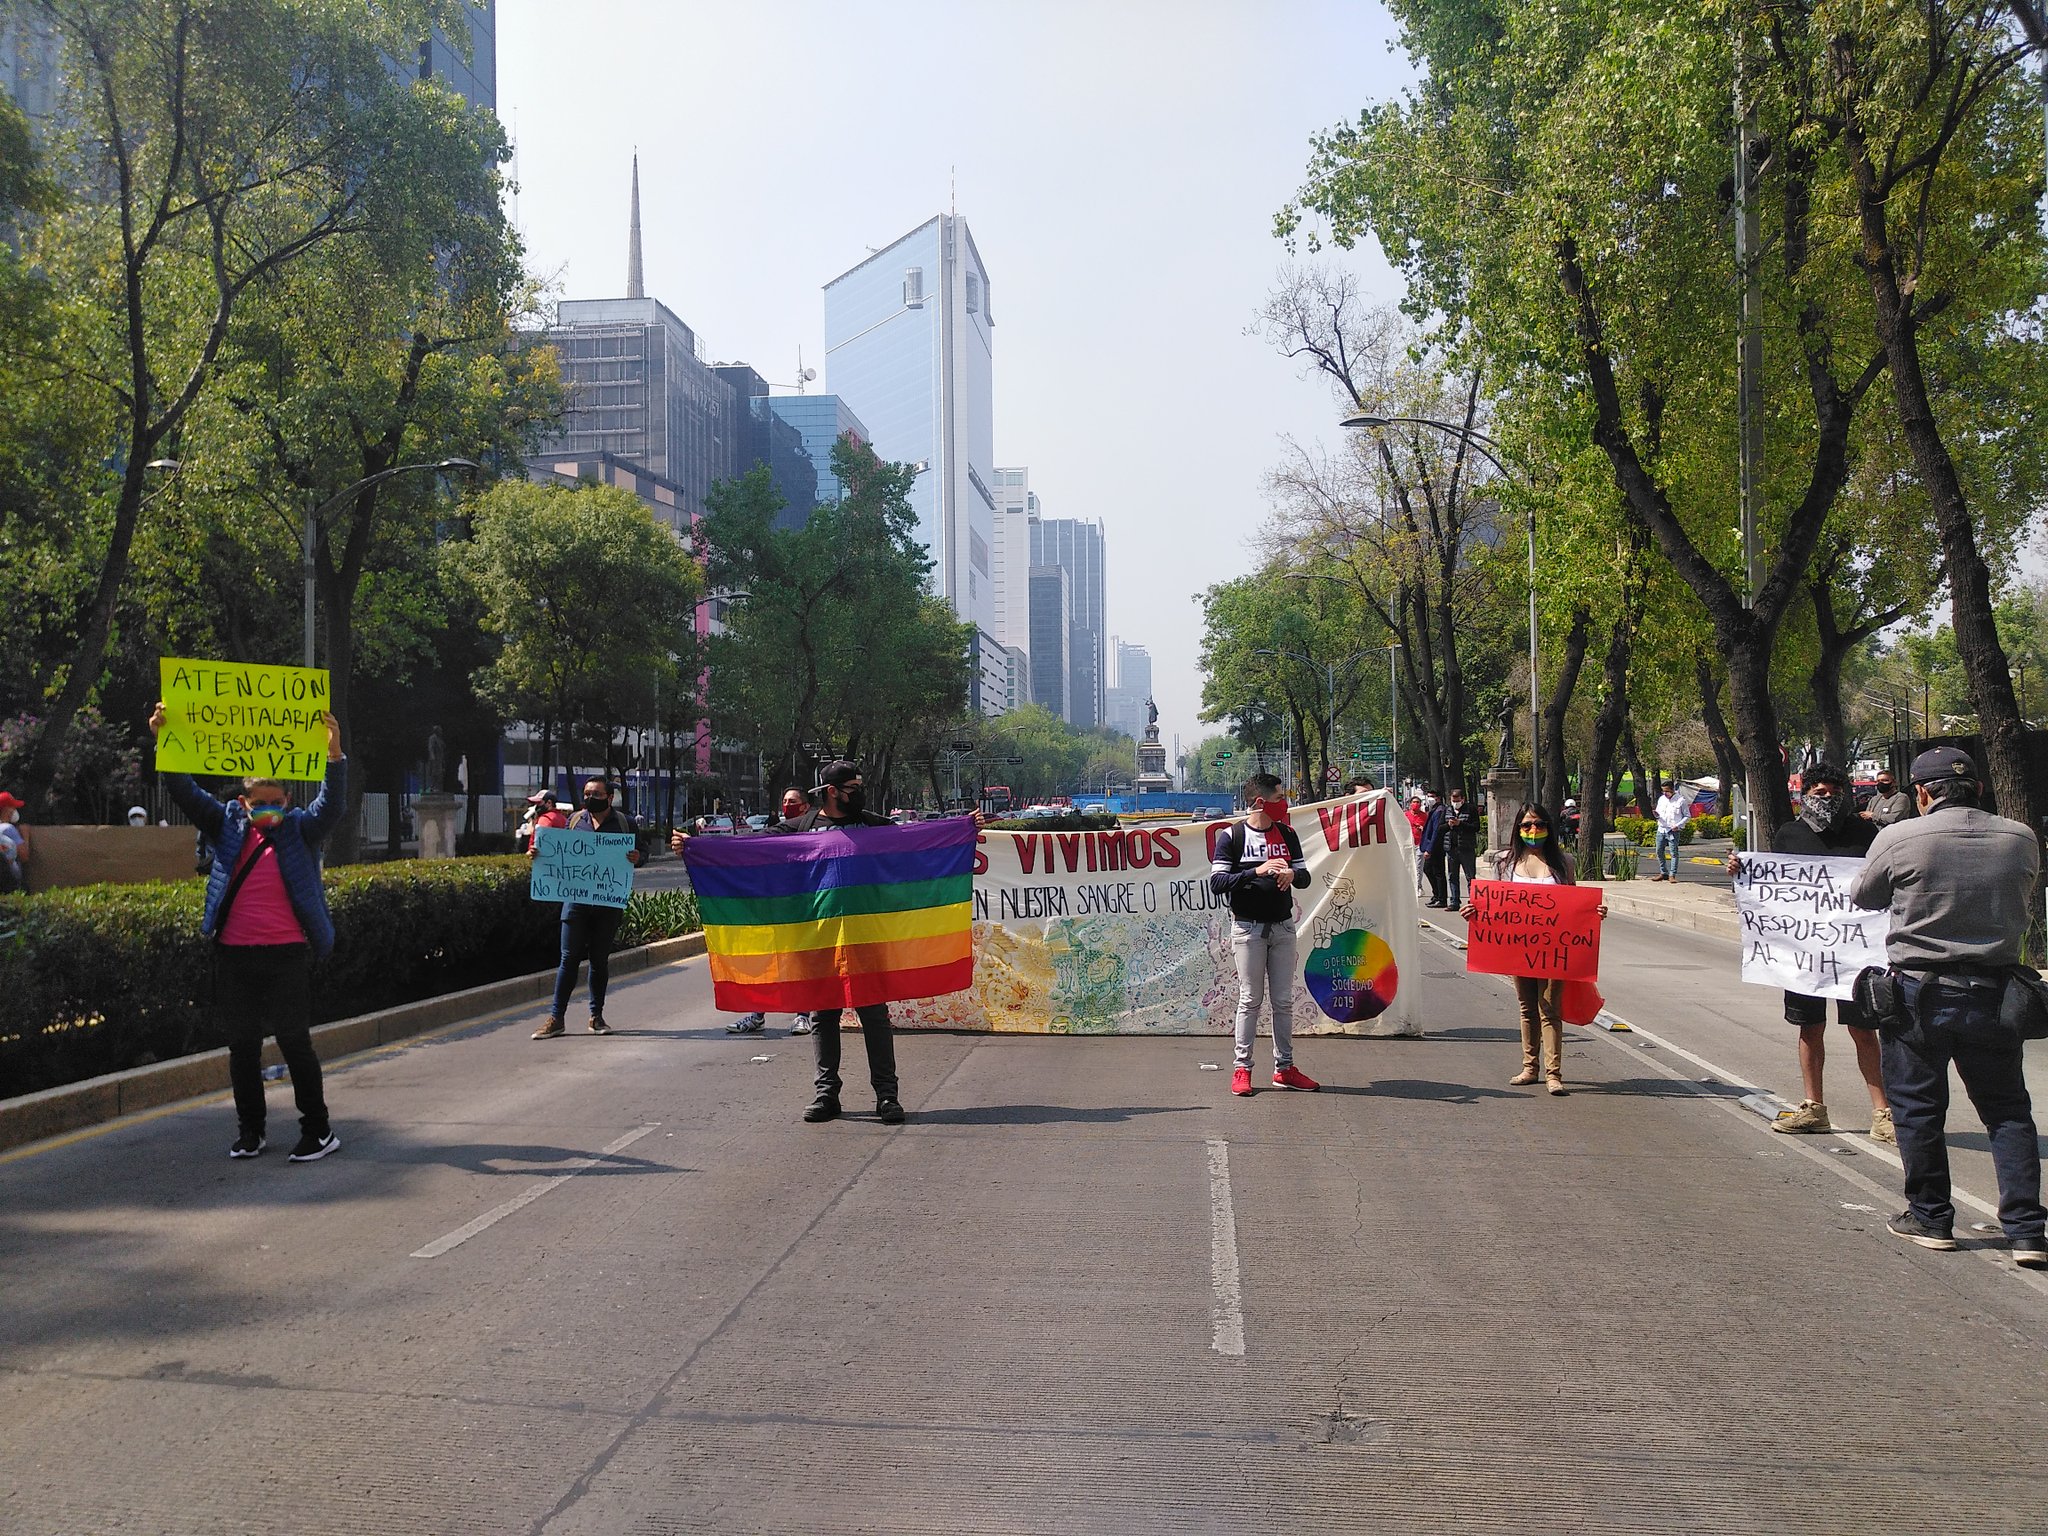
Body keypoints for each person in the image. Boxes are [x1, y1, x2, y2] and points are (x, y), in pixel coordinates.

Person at [1849, 747, 2045, 1267]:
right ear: (1978, 788)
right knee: (2007, 1112)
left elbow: (1864, 897)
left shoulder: (1899, 837)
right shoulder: (2020, 837)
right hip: (1997, 992)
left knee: (1918, 1110)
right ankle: (2026, 1230)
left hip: (1919, 994)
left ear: (1920, 793)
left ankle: (1932, 1218)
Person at [148, 702, 345, 1162]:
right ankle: (251, 1132)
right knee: (242, 1048)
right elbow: (183, 790)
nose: (270, 811)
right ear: (244, 803)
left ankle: (318, 1131)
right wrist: (163, 739)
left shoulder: (302, 829)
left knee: (295, 1042)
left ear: (289, 803)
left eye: (278, 803)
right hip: (234, 957)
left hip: (286, 956)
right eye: (261, 804)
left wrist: (334, 755)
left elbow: (332, 805)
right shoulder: (225, 825)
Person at [680, 761, 911, 1124]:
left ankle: (887, 1096)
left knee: (874, 1016)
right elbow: (749, 850)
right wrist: (697, 848)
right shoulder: (800, 829)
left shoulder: (874, 827)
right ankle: (826, 1095)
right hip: (815, 940)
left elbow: (918, 846)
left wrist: (963, 831)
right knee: (823, 1015)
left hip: (866, 938)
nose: (859, 792)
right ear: (832, 792)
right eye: (853, 787)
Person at [1728, 761, 1890, 1141]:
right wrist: (1741, 871)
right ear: (1806, 795)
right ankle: (1813, 1107)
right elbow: (1772, 881)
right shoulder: (1790, 835)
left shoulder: (1865, 833)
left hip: (1855, 955)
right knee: (1809, 1028)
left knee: (1863, 1030)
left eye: (1835, 792)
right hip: (1806, 954)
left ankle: (1883, 1113)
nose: (1828, 798)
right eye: (1819, 792)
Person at [1461, 803, 1606, 1095]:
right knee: (1527, 1008)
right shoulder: (1504, 863)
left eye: (1539, 824)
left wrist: (1595, 912)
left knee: (1549, 1009)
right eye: (1526, 825)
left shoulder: (1563, 862)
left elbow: (1575, 903)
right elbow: (1493, 903)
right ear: (1518, 829)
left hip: (1555, 951)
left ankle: (1554, 1074)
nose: (1533, 831)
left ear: (1549, 828)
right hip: (1519, 950)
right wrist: (1473, 911)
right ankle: (1530, 1067)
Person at [1210, 772, 1319, 1097]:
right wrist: (1255, 871)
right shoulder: (1233, 836)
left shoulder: (1287, 833)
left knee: (1283, 1001)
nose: (1283, 803)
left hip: (1283, 927)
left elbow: (1304, 877)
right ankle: (1242, 1069)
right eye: (1278, 798)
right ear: (1260, 801)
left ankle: (1284, 1069)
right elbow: (1217, 883)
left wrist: (1290, 873)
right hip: (1248, 929)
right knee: (1250, 999)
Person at [531, 777, 643, 1039]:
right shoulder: (574, 822)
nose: (590, 798)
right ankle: (556, 1018)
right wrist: (538, 855)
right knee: (568, 960)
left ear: (609, 797)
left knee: (599, 961)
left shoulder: (625, 824)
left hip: (607, 904)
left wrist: (637, 857)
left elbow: (642, 852)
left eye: (596, 793)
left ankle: (596, 1016)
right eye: (586, 793)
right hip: (576, 903)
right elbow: (556, 855)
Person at [723, 786, 816, 1037]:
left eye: (793, 801)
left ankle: (803, 1015)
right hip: (773, 907)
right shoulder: (775, 833)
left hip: (801, 908)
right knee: (766, 960)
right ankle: (757, 1014)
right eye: (785, 800)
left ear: (805, 806)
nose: (788, 805)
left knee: (799, 961)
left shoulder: (813, 832)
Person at [1441, 785, 1478, 907]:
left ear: (1463, 799)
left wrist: (1460, 824)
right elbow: (1440, 828)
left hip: (1466, 848)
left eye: (1457, 800)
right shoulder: (1447, 810)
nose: (1455, 803)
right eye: (1453, 800)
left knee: (1470, 876)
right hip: (1451, 848)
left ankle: (1473, 900)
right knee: (1452, 876)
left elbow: (1475, 827)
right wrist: (1449, 825)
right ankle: (1454, 901)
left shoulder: (1471, 809)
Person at [1652, 778, 1687, 881]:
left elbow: (1687, 816)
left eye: (1667, 791)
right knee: (1659, 851)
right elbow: (1659, 813)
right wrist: (1656, 815)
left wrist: (1679, 825)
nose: (1665, 793)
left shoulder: (1681, 800)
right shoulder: (1661, 799)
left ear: (1672, 789)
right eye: (1663, 791)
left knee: (1673, 853)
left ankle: (1672, 874)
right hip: (1661, 828)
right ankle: (1663, 872)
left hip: (1673, 830)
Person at [1418, 789, 1449, 908]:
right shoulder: (1434, 809)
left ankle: (1441, 898)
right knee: (1429, 870)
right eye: (1428, 796)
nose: (1430, 798)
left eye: (1432, 796)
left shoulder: (1440, 810)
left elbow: (1436, 831)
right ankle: (1436, 895)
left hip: (1436, 847)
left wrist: (1429, 849)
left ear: (1438, 798)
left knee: (1437, 872)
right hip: (1431, 845)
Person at [516, 788, 567, 852]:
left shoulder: (545, 818)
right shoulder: (564, 818)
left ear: (549, 803)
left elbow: (539, 843)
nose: (536, 806)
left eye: (539, 803)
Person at [0, 790, 27, 894]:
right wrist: (25, 835)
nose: (15, 811)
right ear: (6, 810)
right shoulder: (9, 829)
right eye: (13, 807)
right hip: (10, 881)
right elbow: (24, 856)